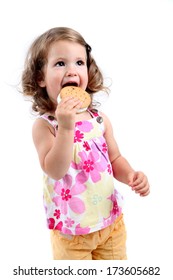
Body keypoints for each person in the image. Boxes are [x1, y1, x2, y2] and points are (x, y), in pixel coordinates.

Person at [21, 27, 150, 260]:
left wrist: (131, 175)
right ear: (40, 77)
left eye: (79, 62)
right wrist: (66, 128)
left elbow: (115, 159)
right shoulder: (46, 126)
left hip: (111, 223)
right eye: (60, 63)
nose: (72, 70)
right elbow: (55, 170)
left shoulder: (98, 119)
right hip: (72, 234)